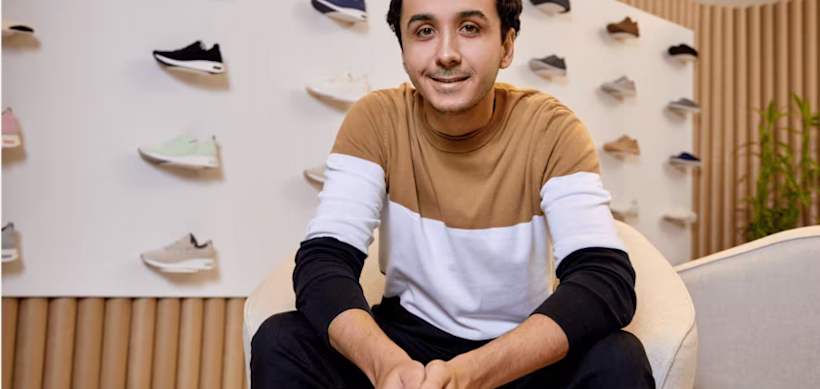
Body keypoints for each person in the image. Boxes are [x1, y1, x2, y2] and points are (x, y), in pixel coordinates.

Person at [251, 0, 655, 388]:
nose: (446, 53)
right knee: (281, 339)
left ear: (506, 46)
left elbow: (604, 277)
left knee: (619, 358)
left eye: (470, 28)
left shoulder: (553, 130)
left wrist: (469, 376)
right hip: (405, 348)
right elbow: (323, 260)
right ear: (405, 51)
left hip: (518, 357)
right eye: (424, 31)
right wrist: (387, 366)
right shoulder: (375, 119)